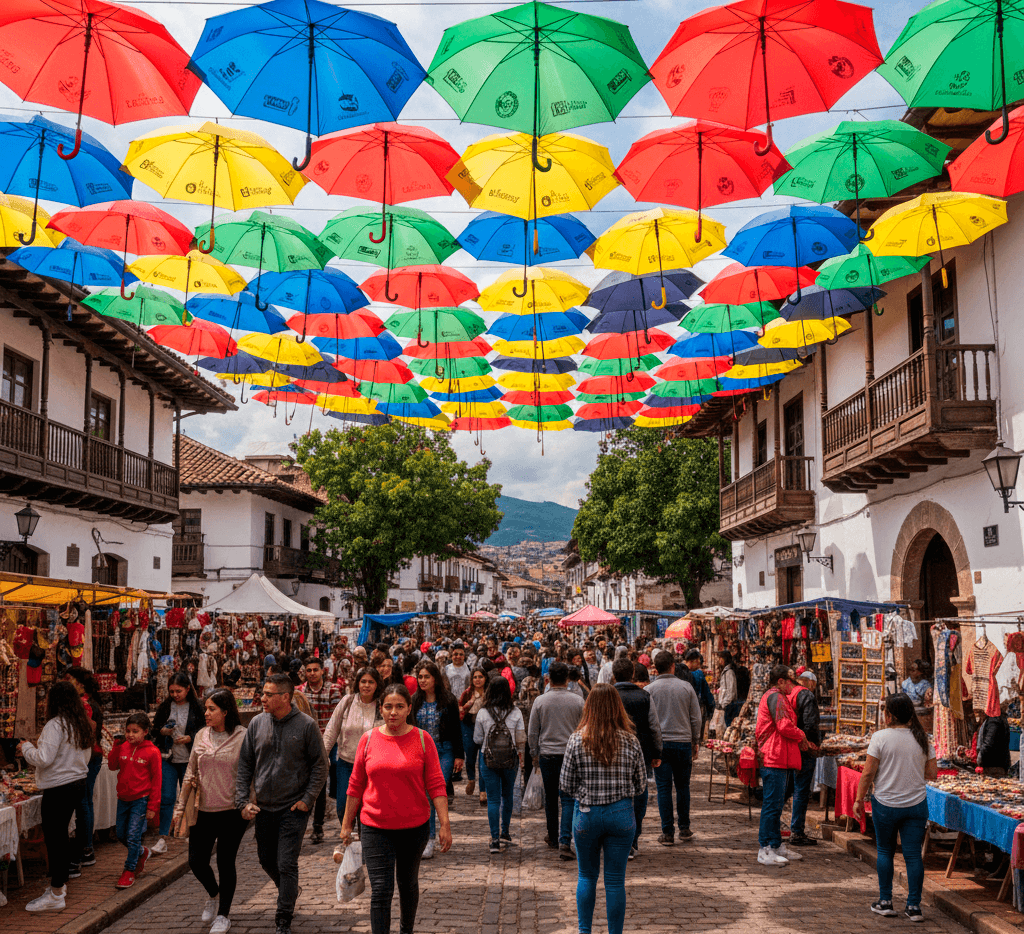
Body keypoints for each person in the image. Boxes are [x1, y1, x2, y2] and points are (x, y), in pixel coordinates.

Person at [340, 684, 450, 934]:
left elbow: (436, 783)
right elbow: (356, 784)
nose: (393, 712)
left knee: (407, 883)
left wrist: (444, 824)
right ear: (381, 709)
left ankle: (406, 930)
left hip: (414, 826)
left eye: (400, 706)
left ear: (409, 709)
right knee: (381, 889)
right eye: (388, 706)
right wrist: (346, 824)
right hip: (375, 826)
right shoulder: (368, 740)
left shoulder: (423, 739)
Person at [235, 672, 328, 934]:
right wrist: (243, 800)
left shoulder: (306, 725)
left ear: (285, 697)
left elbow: (320, 766)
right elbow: (245, 764)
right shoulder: (256, 724)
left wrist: (307, 800)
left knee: (287, 862)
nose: (262, 698)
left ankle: (283, 917)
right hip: (263, 807)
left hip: (292, 808)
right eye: (262, 693)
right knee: (267, 860)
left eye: (268, 694)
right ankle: (289, 889)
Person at [560, 684, 646, 934]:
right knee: (615, 881)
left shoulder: (577, 739)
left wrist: (584, 793)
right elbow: (640, 784)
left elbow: (565, 784)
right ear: (617, 708)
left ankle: (584, 930)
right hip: (620, 814)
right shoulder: (630, 740)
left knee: (586, 876)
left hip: (587, 814)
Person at [854, 693, 937, 923]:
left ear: (889, 715)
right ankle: (914, 906)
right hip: (916, 805)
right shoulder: (923, 739)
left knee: (885, 851)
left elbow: (869, 772)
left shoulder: (880, 737)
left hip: (886, 804)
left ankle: (885, 901)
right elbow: (932, 774)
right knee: (912, 855)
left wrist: (859, 798)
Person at [173, 688, 248, 934]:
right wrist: (180, 806)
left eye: (211, 709)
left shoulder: (243, 736)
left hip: (232, 812)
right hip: (202, 810)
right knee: (196, 861)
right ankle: (213, 894)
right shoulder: (200, 735)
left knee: (226, 862)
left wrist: (248, 801)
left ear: (226, 712)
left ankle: (224, 915)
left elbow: (251, 773)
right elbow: (190, 771)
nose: (206, 713)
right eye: (206, 708)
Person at [18, 681, 93, 912]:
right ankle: (58, 887)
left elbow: (43, 758)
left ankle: (57, 891)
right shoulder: (79, 724)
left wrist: (26, 747)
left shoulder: (56, 725)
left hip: (59, 788)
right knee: (60, 836)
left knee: (56, 839)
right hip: (76, 783)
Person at [529, 660, 585, 859]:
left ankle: (553, 836)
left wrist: (534, 753)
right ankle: (565, 838)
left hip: (548, 755)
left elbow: (532, 731)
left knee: (551, 798)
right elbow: (584, 729)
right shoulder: (578, 700)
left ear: (548, 679)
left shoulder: (540, 701)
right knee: (569, 798)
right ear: (567, 679)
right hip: (572, 755)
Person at [323, 665, 385, 840]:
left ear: (376, 684)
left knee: (367, 806)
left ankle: (366, 840)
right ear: (357, 683)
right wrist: (322, 755)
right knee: (343, 805)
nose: (366, 685)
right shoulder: (348, 702)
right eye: (363, 681)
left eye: (370, 682)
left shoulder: (381, 705)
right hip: (346, 763)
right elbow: (332, 730)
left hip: (373, 766)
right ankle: (349, 834)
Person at [646, 650, 701, 845]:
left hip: (661, 746)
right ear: (672, 666)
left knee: (663, 788)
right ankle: (684, 828)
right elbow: (696, 718)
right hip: (683, 743)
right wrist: (696, 741)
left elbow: (649, 723)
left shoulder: (649, 690)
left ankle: (667, 832)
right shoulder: (686, 687)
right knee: (683, 787)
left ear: (655, 668)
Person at [755, 665, 807, 867]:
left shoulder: (777, 696)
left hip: (778, 756)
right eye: (791, 680)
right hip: (774, 756)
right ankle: (765, 847)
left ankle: (775, 845)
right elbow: (784, 725)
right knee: (771, 805)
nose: (793, 685)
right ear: (780, 681)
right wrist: (801, 734)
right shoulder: (776, 697)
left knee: (776, 805)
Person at [411, 660, 463, 859]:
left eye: (426, 676)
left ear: (435, 679)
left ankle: (433, 836)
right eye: (420, 677)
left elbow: (456, 730)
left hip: (444, 750)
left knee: (435, 792)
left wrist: (460, 755)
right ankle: (428, 837)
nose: (422, 680)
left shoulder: (448, 700)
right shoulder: (414, 700)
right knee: (424, 795)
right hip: (420, 752)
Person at [613, 657, 662, 859]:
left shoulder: (609, 695)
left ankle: (618, 837)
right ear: (632, 675)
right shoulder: (644, 696)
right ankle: (633, 838)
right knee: (639, 792)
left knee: (617, 794)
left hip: (613, 751)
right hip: (640, 751)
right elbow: (654, 726)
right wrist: (657, 752)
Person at [151, 672, 205, 854]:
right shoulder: (166, 706)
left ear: (188, 689)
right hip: (169, 757)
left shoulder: (197, 707)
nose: (175, 694)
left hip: (189, 758)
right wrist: (163, 732)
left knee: (189, 797)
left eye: (178, 691)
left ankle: (191, 832)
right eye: (172, 691)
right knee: (167, 797)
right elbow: (155, 729)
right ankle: (163, 836)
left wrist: (191, 737)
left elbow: (205, 729)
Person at [108, 712, 162, 889]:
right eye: (128, 731)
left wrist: (153, 806)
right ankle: (141, 852)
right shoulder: (123, 746)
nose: (130, 735)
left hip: (141, 799)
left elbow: (156, 780)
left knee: (132, 836)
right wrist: (116, 747)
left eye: (135, 731)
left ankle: (129, 870)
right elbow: (112, 766)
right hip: (123, 798)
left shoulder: (152, 752)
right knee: (122, 834)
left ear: (145, 732)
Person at [475, 675, 526, 854]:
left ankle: (494, 839)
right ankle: (505, 832)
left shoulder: (483, 713)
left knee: (493, 799)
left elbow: (477, 738)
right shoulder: (516, 712)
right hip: (510, 759)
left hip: (488, 759)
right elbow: (520, 739)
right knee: (508, 795)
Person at [297, 656, 342, 845]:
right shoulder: (299, 692)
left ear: (322, 671)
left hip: (328, 743)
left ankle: (318, 826)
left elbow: (337, 718)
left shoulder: (333, 690)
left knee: (320, 785)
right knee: (303, 785)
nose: (312, 673)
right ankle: (301, 826)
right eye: (309, 670)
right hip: (304, 744)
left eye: (316, 670)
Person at [65, 668, 103, 875]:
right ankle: (87, 848)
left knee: (83, 803)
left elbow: (86, 733)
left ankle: (85, 849)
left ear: (79, 683)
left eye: (69, 679)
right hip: (93, 756)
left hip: (88, 757)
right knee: (85, 802)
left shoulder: (84, 705)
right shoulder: (89, 702)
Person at [788, 668, 821, 847]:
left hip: (790, 746)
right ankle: (797, 831)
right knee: (801, 789)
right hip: (803, 748)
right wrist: (811, 743)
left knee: (790, 788)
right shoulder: (807, 695)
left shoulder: (790, 693)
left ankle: (785, 826)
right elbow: (810, 723)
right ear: (810, 683)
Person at [459, 667, 489, 807]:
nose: (478, 679)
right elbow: (460, 710)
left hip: (485, 729)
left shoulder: (489, 693)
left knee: (483, 759)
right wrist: (471, 702)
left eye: (480, 677)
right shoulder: (467, 693)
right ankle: (471, 779)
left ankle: (483, 790)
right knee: (470, 757)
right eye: (475, 677)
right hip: (468, 727)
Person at [977, 704, 1012, 777]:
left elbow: (988, 743)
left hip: (994, 764)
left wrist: (980, 758)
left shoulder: (994, 720)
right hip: (999, 763)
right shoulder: (1000, 718)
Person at [716, 651, 742, 726]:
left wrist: (725, 703)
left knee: (728, 726)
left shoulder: (729, 672)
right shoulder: (726, 671)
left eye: (720, 658)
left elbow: (731, 690)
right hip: (727, 704)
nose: (719, 660)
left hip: (729, 705)